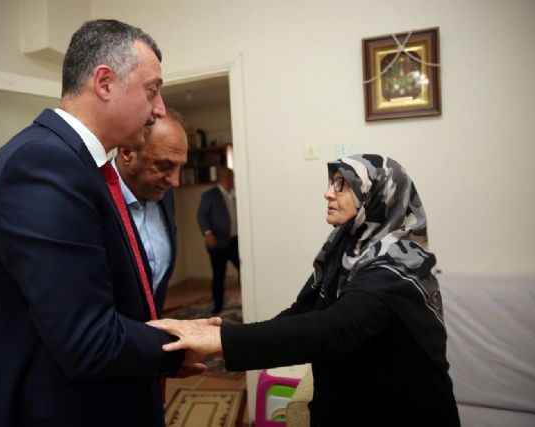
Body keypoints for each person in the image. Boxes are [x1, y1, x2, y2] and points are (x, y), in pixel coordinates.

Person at [0, 20, 206, 427]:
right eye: (152, 91)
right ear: (105, 83)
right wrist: (179, 344)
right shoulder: (42, 164)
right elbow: (88, 337)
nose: (159, 109)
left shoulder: (76, 164)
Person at [150, 154, 461, 426]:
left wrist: (218, 340)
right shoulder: (345, 244)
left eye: (342, 184)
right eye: (332, 182)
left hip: (401, 410)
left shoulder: (400, 263)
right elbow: (302, 311)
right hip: (347, 403)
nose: (328, 192)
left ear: (377, 195)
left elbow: (334, 328)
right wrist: (226, 340)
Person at [112, 109, 188, 313]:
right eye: (164, 165)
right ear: (127, 152)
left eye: (180, 167)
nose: (175, 181)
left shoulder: (164, 194)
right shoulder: (93, 195)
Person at [197, 167, 240, 313]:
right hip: (217, 243)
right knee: (218, 275)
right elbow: (201, 215)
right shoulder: (210, 195)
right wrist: (207, 233)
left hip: (235, 241)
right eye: (231, 177)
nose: (233, 180)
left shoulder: (235, 194)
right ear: (224, 178)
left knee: (244, 271)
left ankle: (247, 298)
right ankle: (218, 305)